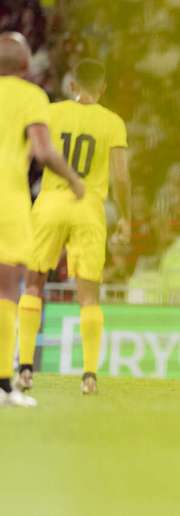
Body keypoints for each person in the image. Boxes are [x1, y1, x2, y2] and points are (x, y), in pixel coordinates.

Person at [17, 59, 130, 395]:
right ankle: (89, 375)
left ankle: (24, 369)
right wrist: (126, 216)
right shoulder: (113, 122)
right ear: (103, 87)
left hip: (50, 203)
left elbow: (28, 157)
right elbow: (121, 177)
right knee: (88, 296)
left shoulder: (51, 113)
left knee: (34, 284)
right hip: (89, 208)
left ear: (72, 85)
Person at [0, 32, 84, 406]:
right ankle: (3, 385)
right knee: (5, 291)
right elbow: (43, 151)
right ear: (25, 66)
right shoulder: (31, 96)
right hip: (8, 199)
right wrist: (73, 178)